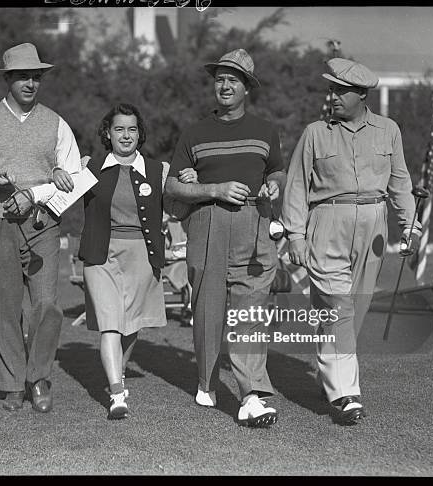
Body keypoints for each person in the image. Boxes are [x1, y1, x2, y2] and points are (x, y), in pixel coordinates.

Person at [281, 58, 421, 425]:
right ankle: (346, 395)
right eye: (331, 89)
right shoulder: (315, 132)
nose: (333, 96)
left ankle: (333, 373)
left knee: (348, 313)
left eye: (340, 90)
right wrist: (295, 234)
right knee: (339, 309)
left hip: (375, 229)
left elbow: (400, 182)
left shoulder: (389, 130)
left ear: (361, 94)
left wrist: (410, 226)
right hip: (327, 222)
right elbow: (296, 185)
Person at [0, 43, 82, 413]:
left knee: (48, 305)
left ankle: (38, 377)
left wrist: (42, 188)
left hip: (43, 224)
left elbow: (73, 177)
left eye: (36, 76)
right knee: (3, 308)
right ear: (8, 79)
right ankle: (11, 384)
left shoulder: (56, 123)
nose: (30, 82)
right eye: (23, 76)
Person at [165, 49, 286, 428]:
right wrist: (214, 188)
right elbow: (172, 187)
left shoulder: (266, 131)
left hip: (254, 226)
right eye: (220, 78)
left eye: (233, 79)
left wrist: (272, 186)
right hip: (206, 225)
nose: (225, 85)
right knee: (208, 311)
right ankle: (206, 379)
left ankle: (252, 394)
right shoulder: (195, 133)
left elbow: (277, 173)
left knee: (250, 312)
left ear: (247, 87)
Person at [79, 103, 194, 419]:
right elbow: (58, 197)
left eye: (131, 129)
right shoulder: (89, 168)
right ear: (108, 133)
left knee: (130, 325)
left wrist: (189, 180)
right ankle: (117, 395)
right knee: (110, 324)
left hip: (143, 256)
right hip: (100, 255)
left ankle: (119, 373)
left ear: (140, 133)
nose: (125, 135)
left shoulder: (160, 170)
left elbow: (179, 207)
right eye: (119, 129)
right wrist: (62, 171)